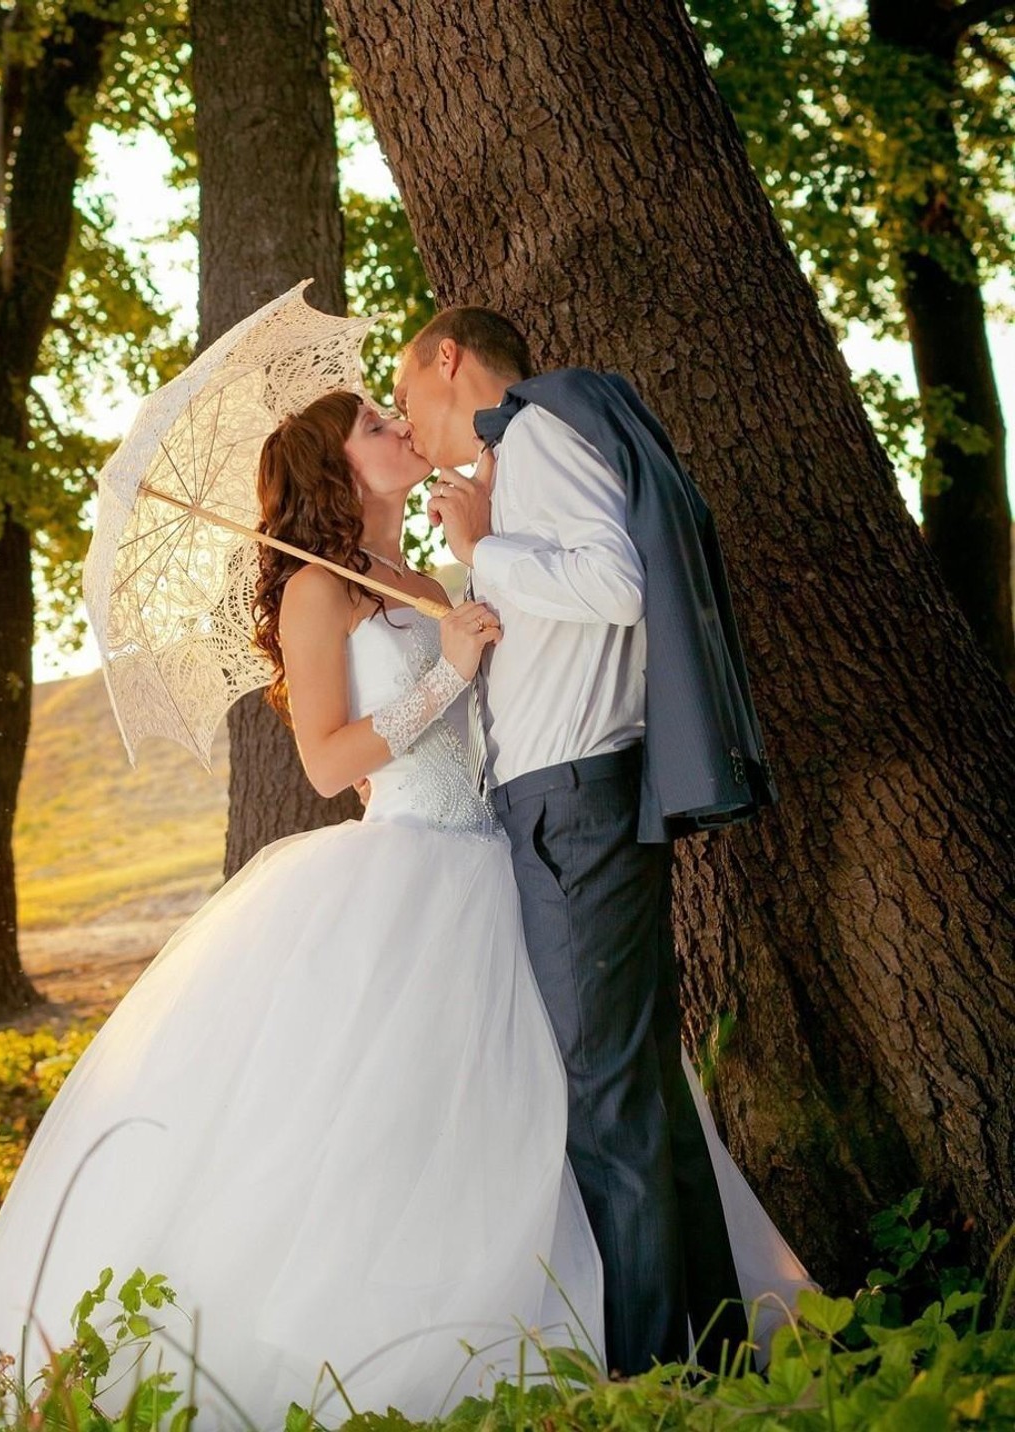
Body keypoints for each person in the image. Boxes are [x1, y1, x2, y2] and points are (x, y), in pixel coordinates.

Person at [0, 388, 804, 1428]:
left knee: (556, 1094)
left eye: (392, 414)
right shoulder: (311, 592)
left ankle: (629, 1321)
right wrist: (450, 673)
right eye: (375, 427)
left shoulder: (422, 578)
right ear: (336, 470)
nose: (398, 429)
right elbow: (329, 759)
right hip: (407, 870)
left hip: (505, 862)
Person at [394, 307, 778, 1375]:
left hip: (572, 802)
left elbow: (616, 586)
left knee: (604, 1097)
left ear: (449, 360)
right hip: (573, 798)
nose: (409, 425)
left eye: (408, 396)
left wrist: (481, 548)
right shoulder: (524, 454)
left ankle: (659, 1377)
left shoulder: (537, 427)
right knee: (639, 1085)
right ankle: (710, 1360)